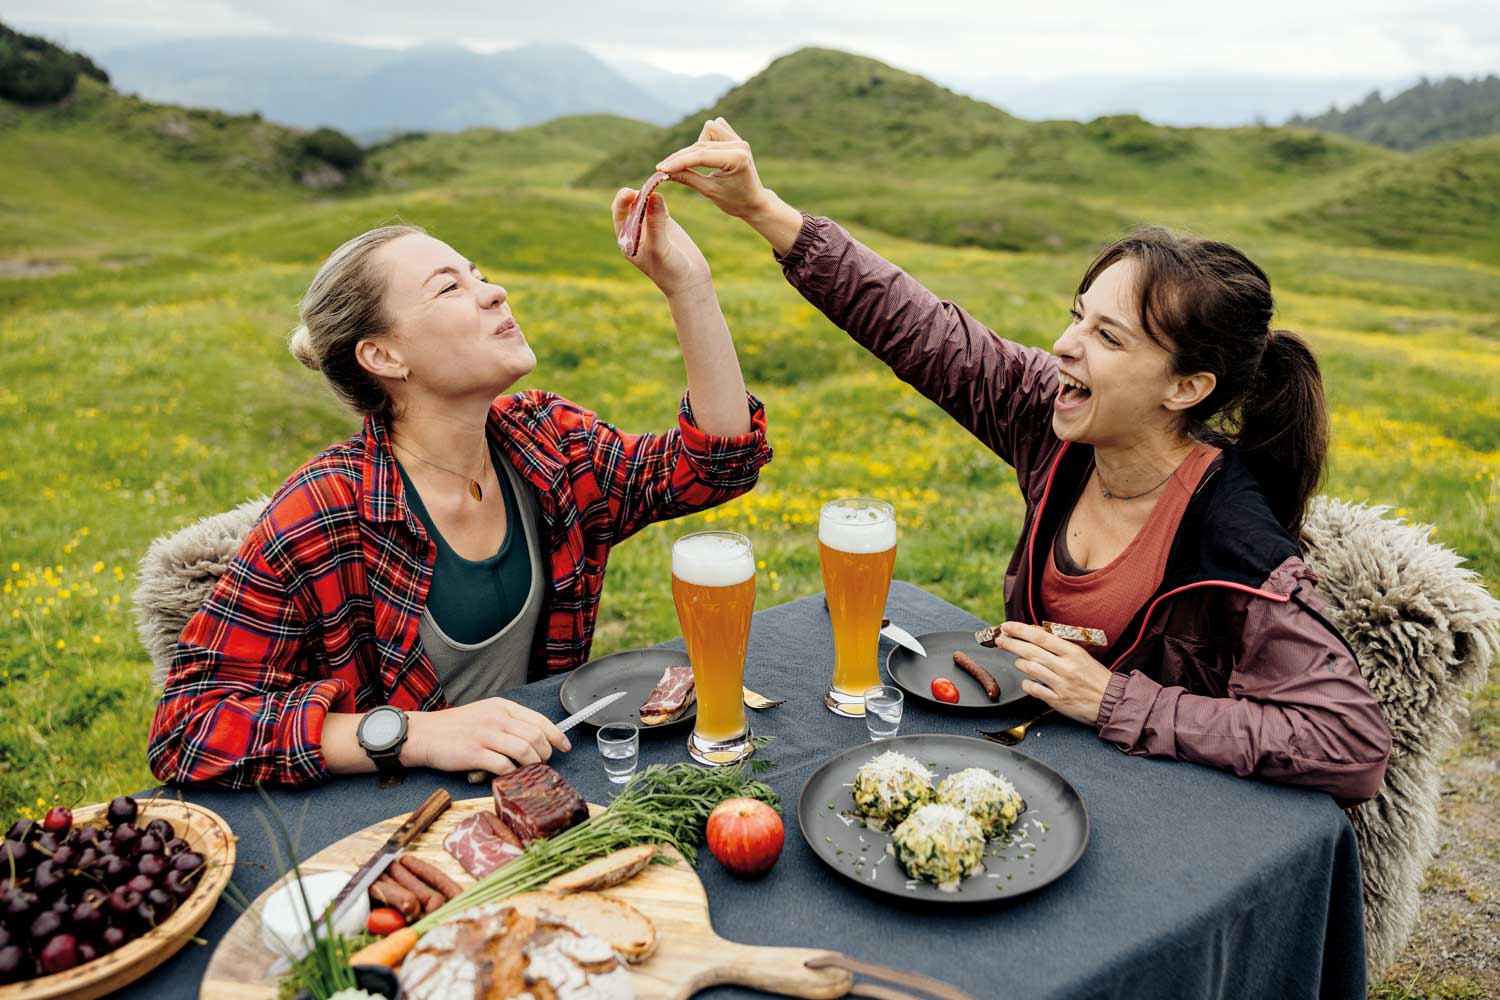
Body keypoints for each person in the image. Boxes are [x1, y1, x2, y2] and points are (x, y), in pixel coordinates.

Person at [658, 118, 1390, 803]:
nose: (1066, 346)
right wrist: (760, 208)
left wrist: (1111, 700)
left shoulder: (1235, 543)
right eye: (1078, 316)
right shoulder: (1056, 421)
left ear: (1186, 387)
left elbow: (1350, 743)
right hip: (1030, 776)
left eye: (1109, 337)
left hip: (1165, 812)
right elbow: (918, 324)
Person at [147, 187, 772, 789]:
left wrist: (688, 285)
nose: (494, 292)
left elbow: (715, 465)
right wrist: (419, 735)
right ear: (384, 357)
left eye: (479, 274)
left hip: (546, 789)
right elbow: (187, 730)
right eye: (450, 287)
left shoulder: (546, 442)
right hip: (399, 824)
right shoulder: (323, 511)